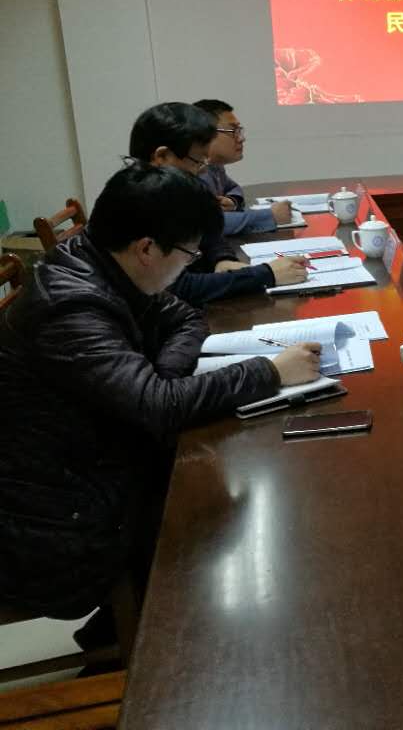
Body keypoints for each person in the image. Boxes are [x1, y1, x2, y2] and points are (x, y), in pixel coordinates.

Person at [0, 163, 321, 620]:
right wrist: (268, 372)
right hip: (57, 524)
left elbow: (187, 319)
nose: (190, 264)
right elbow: (158, 407)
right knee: (239, 525)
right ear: (147, 248)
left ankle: (132, 629)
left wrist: (159, 381)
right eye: (188, 254)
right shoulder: (71, 306)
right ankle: (155, 640)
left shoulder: (103, 260)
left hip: (96, 465)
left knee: (234, 481)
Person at [129, 103, 307, 305]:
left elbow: (207, 232)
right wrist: (266, 274)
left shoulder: (169, 191)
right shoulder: (139, 204)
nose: (204, 170)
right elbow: (179, 288)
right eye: (198, 161)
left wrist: (222, 259)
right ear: (162, 157)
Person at [193, 98, 293, 235]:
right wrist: (271, 216)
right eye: (233, 131)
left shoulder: (214, 166)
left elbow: (234, 188)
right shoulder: (192, 171)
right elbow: (206, 224)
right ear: (206, 133)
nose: (241, 138)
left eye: (239, 131)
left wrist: (232, 201)